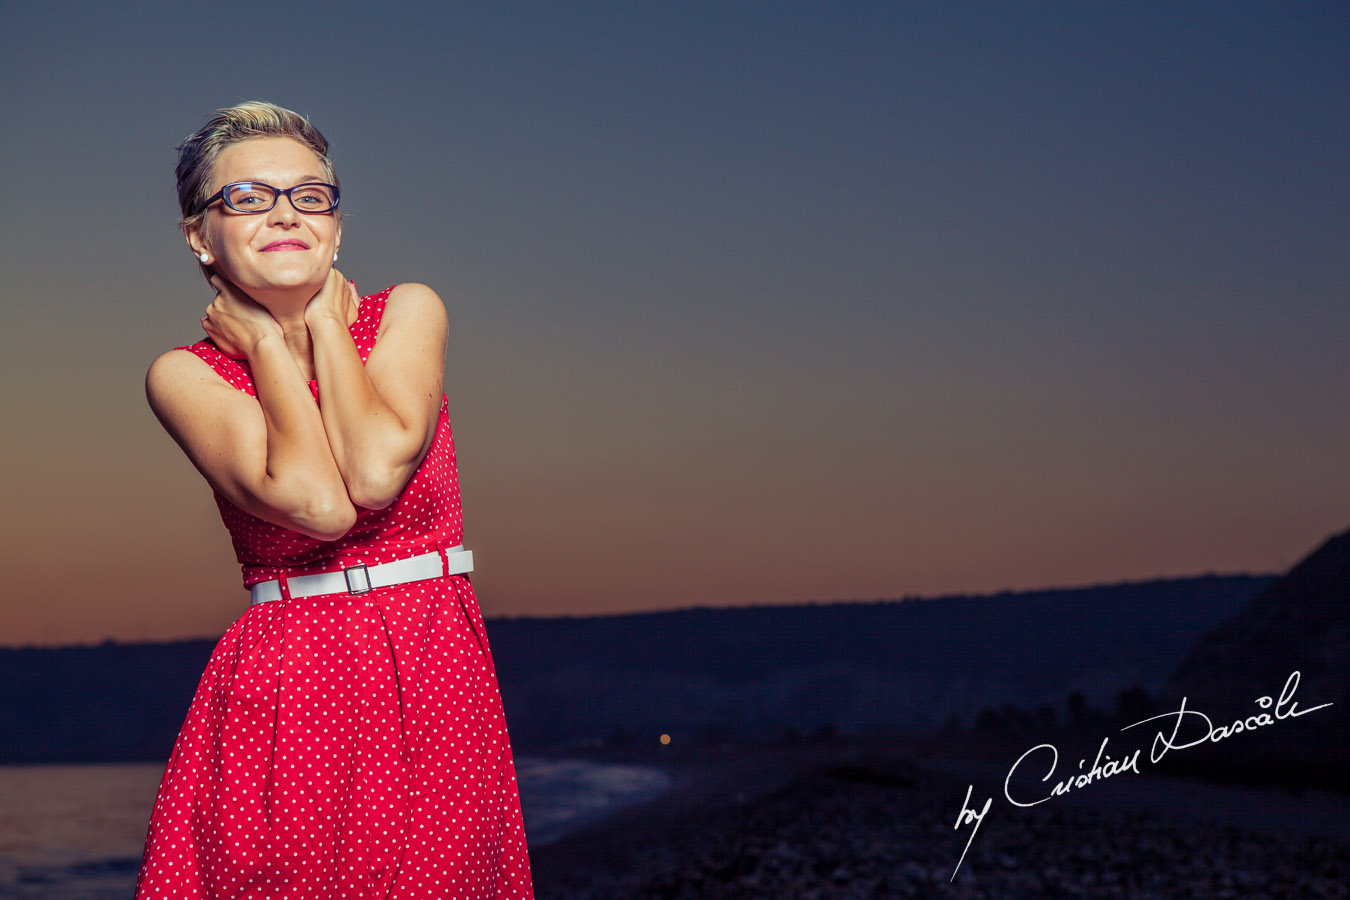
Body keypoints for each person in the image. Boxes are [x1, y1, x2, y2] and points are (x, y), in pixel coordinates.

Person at [133, 101, 535, 899]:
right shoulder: (185, 375)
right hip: (291, 678)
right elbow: (319, 504)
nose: (285, 213)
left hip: (433, 660)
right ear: (198, 235)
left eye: (309, 196)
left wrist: (323, 327)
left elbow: (377, 470)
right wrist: (265, 348)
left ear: (337, 227)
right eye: (247, 197)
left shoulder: (407, 313)